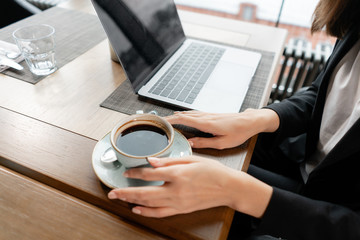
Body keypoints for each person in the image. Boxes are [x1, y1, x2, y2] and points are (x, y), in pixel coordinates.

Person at [107, 0, 360, 238]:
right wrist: (259, 118)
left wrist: (236, 191)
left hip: (325, 217)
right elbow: (319, 93)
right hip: (302, 164)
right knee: (192, 139)